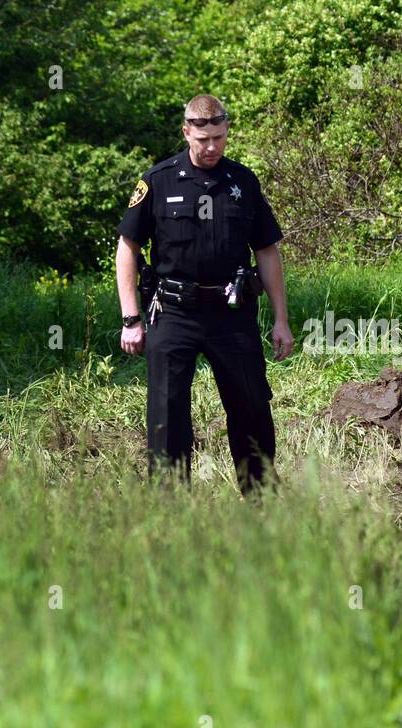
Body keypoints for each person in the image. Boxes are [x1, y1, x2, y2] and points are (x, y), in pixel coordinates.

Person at [115, 94, 294, 496]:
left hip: (231, 314)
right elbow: (128, 247)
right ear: (186, 133)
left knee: (250, 408)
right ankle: (170, 509)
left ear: (227, 132)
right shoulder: (158, 181)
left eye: (219, 137)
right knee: (168, 412)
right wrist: (131, 318)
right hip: (173, 311)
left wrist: (281, 318)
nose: (212, 147)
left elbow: (267, 250)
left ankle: (261, 500)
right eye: (203, 139)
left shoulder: (242, 182)